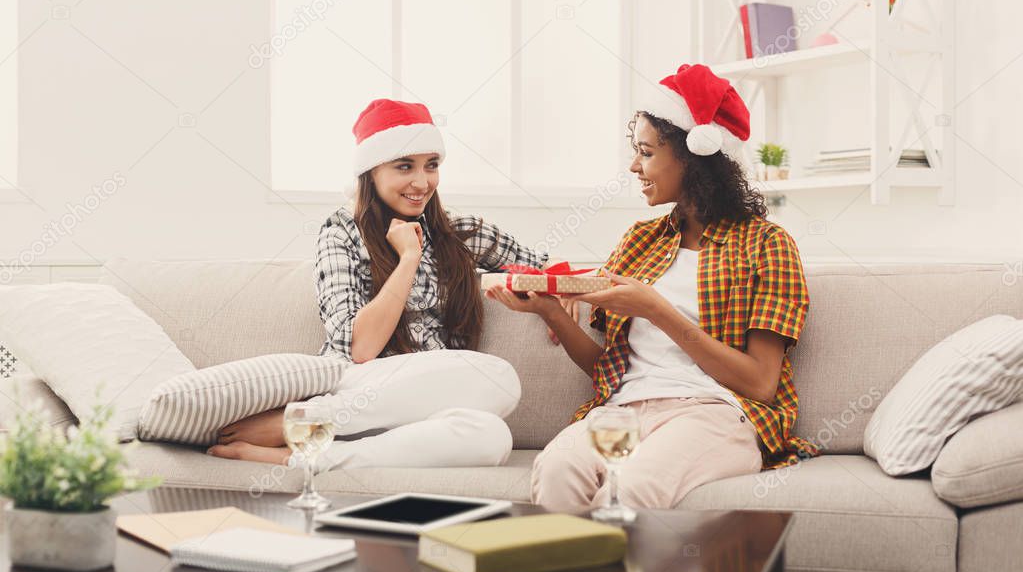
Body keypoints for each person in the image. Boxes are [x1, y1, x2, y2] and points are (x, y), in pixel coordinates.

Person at [488, 64, 819, 511]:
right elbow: (606, 369)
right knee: (557, 471)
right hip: (626, 412)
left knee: (631, 489)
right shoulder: (640, 241)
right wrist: (549, 311)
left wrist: (656, 309)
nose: (633, 165)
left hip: (714, 413)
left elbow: (760, 383)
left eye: (645, 152)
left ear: (693, 157)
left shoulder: (767, 244)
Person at [209, 99, 551, 471]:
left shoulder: (459, 231)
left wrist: (559, 297)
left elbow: (544, 270)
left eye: (431, 166)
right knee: (498, 377)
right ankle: (306, 420)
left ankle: (304, 458)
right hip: (359, 388)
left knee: (492, 437)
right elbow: (362, 347)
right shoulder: (341, 232)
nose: (422, 182)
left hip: (424, 408)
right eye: (405, 166)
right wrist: (408, 259)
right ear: (370, 172)